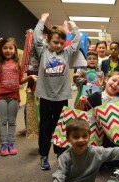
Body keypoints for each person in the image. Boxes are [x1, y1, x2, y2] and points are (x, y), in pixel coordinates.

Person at [33, 13, 81, 170]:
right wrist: (42, 20)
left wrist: (74, 27)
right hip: (46, 96)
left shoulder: (66, 53)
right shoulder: (43, 51)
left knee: (60, 127)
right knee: (45, 128)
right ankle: (44, 155)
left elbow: (77, 40)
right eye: (55, 42)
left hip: (62, 97)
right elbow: (36, 35)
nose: (59, 45)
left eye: (61, 42)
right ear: (48, 41)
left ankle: (60, 154)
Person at [78, 71, 119, 148]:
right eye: (114, 80)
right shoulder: (96, 96)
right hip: (100, 139)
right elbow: (82, 113)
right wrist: (82, 102)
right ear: (106, 80)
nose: (115, 84)